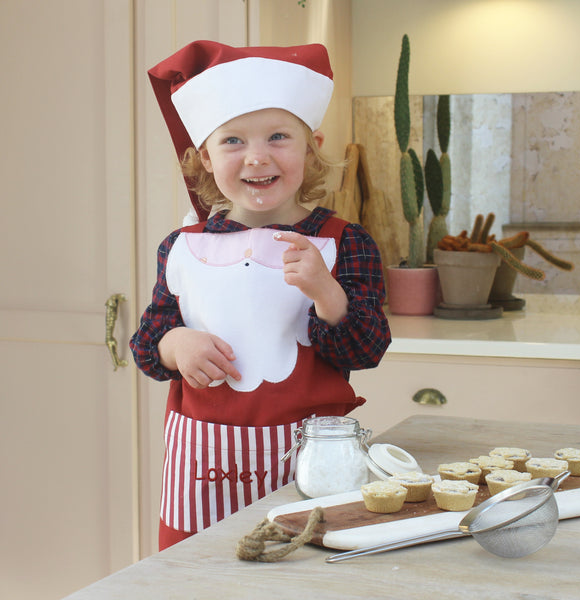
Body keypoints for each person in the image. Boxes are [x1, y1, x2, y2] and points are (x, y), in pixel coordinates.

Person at [130, 40, 391, 550]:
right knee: (200, 576)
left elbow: (367, 349)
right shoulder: (181, 247)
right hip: (201, 467)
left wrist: (325, 291)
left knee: (302, 573)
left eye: (278, 136)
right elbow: (148, 344)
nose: (256, 157)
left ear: (311, 146)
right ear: (204, 157)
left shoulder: (345, 242)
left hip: (307, 466)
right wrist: (175, 344)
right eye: (231, 141)